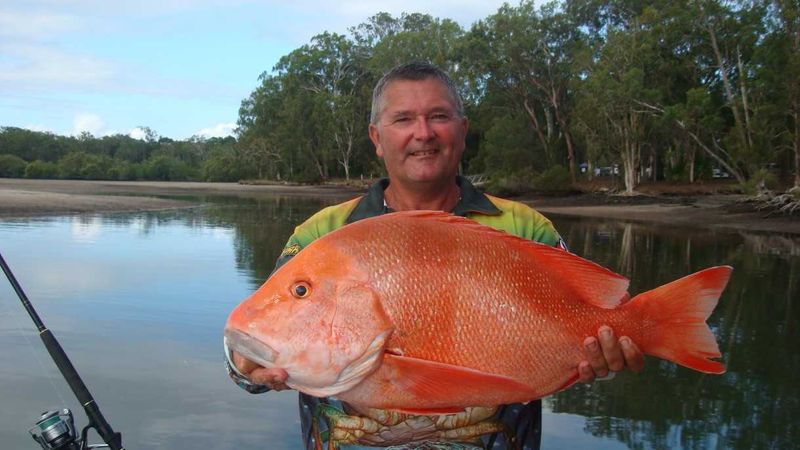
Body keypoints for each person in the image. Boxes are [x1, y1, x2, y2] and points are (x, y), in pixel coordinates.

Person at [225, 62, 645, 449]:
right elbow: (258, 345)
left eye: (438, 116)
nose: (422, 133)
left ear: (462, 131)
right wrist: (243, 363)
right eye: (403, 118)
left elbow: (596, 317)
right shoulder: (322, 234)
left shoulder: (525, 228)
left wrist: (608, 348)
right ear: (376, 137)